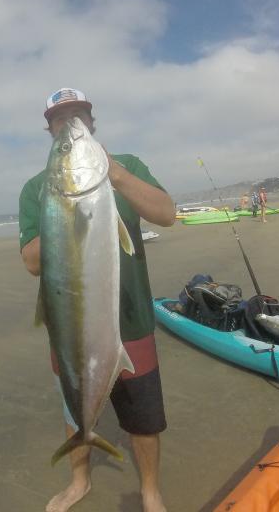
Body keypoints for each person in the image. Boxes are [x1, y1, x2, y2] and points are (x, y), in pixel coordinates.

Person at [19, 87, 175, 512]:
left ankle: (150, 491)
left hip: (132, 320)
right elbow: (31, 262)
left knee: (143, 415)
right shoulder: (37, 188)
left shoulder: (130, 166)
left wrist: (114, 175)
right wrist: (61, 211)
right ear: (49, 130)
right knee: (76, 407)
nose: (69, 123)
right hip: (68, 324)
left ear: (91, 122)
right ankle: (79, 480)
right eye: (59, 119)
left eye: (78, 115)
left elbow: (167, 214)